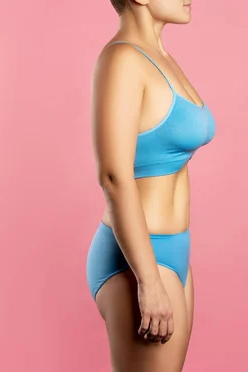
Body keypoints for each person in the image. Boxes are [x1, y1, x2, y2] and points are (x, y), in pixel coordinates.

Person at [86, 0, 215, 371]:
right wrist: (148, 279)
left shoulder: (160, 56)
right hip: (138, 256)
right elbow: (113, 176)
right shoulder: (122, 60)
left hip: (172, 250)